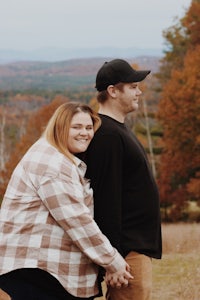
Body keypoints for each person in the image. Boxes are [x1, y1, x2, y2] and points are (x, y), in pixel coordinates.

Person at [0, 102, 133, 300]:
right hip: (39, 269)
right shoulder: (52, 164)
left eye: (89, 128)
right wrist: (113, 261)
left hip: (45, 270)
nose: (85, 133)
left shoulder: (58, 156)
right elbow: (77, 220)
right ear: (60, 127)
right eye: (76, 127)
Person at [81, 59, 162, 300]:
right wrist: (113, 260)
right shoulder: (107, 135)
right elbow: (106, 200)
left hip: (132, 250)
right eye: (133, 86)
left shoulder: (117, 129)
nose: (139, 92)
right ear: (113, 91)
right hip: (126, 253)